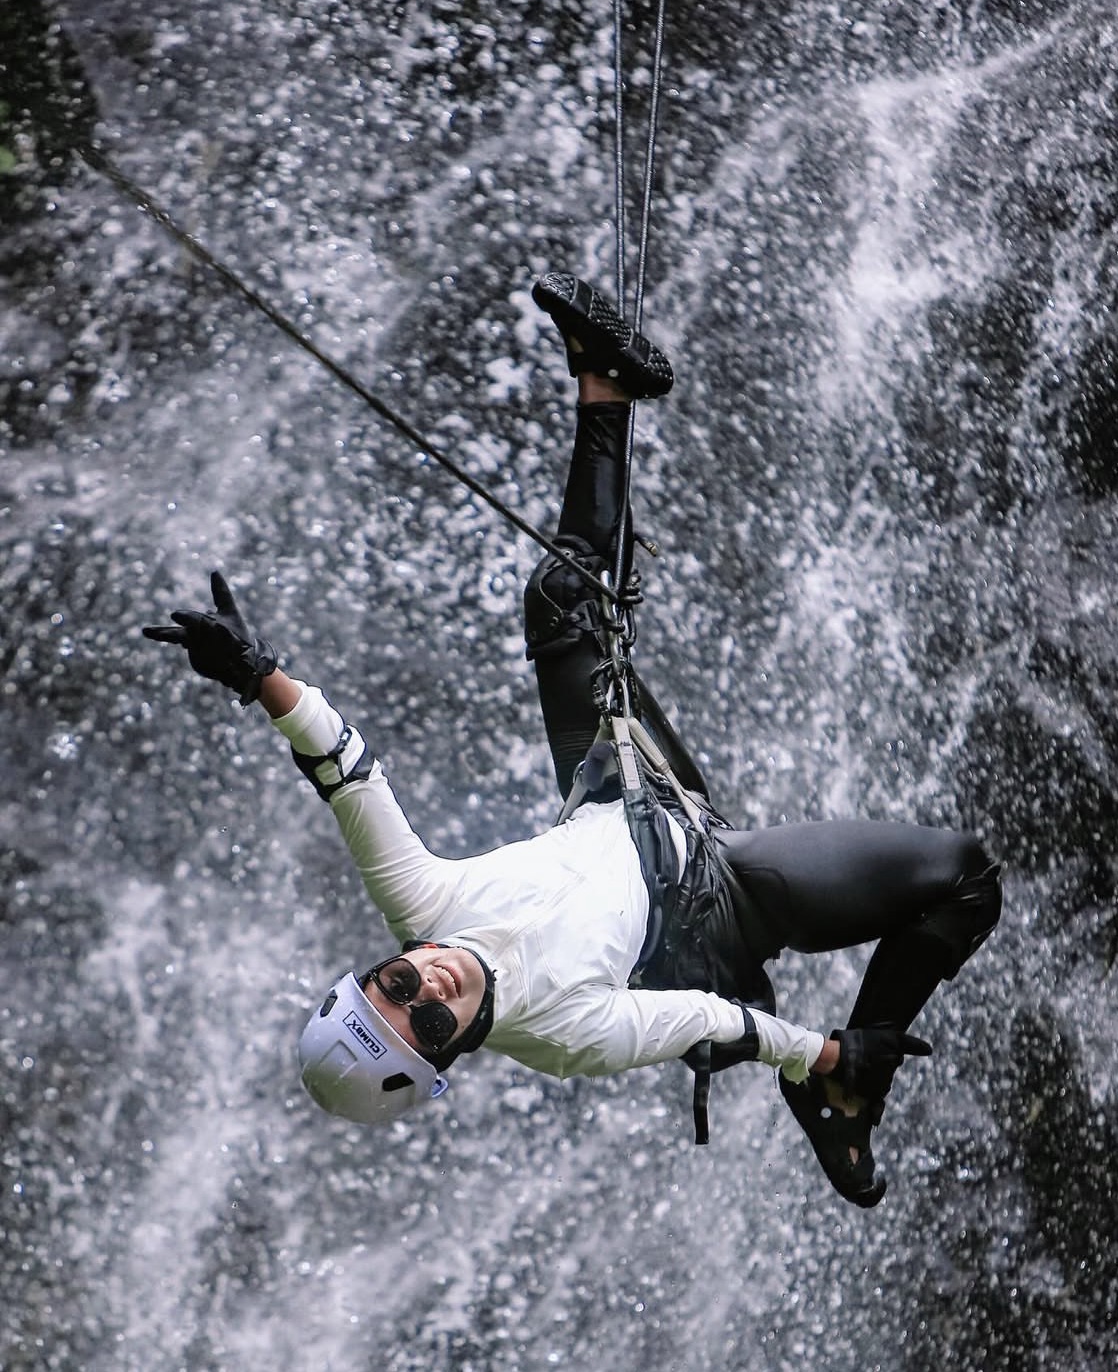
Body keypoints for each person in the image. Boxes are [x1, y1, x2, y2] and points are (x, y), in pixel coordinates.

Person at [143, 273, 1001, 1208]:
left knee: (559, 601)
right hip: (705, 897)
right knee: (965, 876)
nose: (428, 981)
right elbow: (714, 1016)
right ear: (451, 1055)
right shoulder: (562, 1038)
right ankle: (845, 1093)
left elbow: (342, 769)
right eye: (427, 1020)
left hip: (615, 786)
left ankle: (605, 381)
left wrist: (257, 675)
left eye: (391, 983)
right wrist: (831, 1050)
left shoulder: (423, 902)